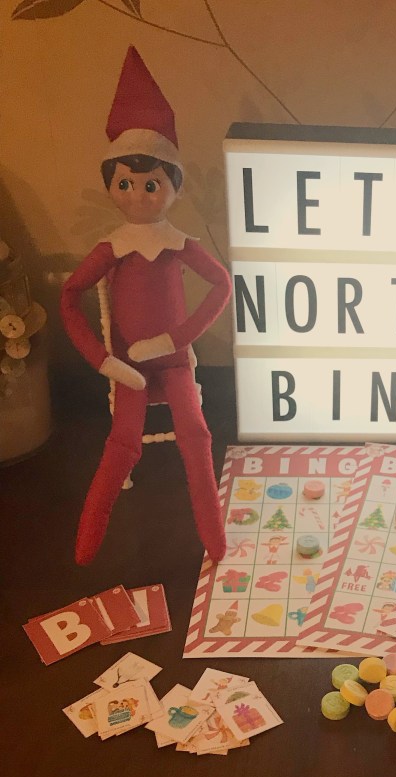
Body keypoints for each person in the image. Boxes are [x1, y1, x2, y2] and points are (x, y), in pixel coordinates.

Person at [61, 46, 231, 565]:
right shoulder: (112, 248)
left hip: (175, 364)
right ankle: (86, 545)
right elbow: (69, 296)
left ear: (172, 187)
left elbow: (221, 285)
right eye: (125, 184)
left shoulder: (178, 245)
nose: (138, 195)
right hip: (129, 371)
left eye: (151, 184)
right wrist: (105, 361)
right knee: (123, 442)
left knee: (197, 435)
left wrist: (175, 340)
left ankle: (215, 542)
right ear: (111, 186)